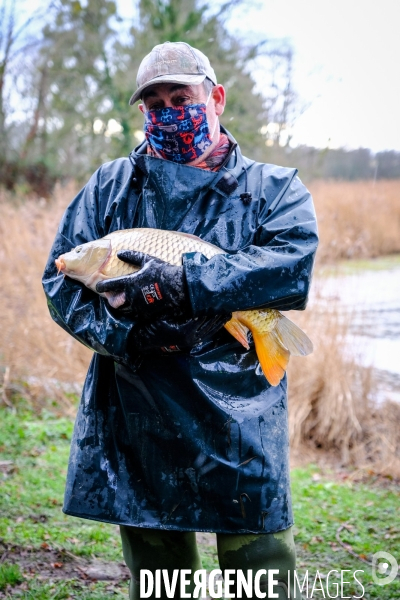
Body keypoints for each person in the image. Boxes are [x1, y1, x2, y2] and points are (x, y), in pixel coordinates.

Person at [43, 41, 318, 599]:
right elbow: (59, 281)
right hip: (136, 406)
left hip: (240, 411)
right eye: (156, 103)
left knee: (262, 571)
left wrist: (187, 286)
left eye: (182, 97)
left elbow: (288, 269)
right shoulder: (110, 186)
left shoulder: (274, 189)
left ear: (215, 98)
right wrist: (131, 332)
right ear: (143, 112)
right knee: (162, 580)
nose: (169, 111)